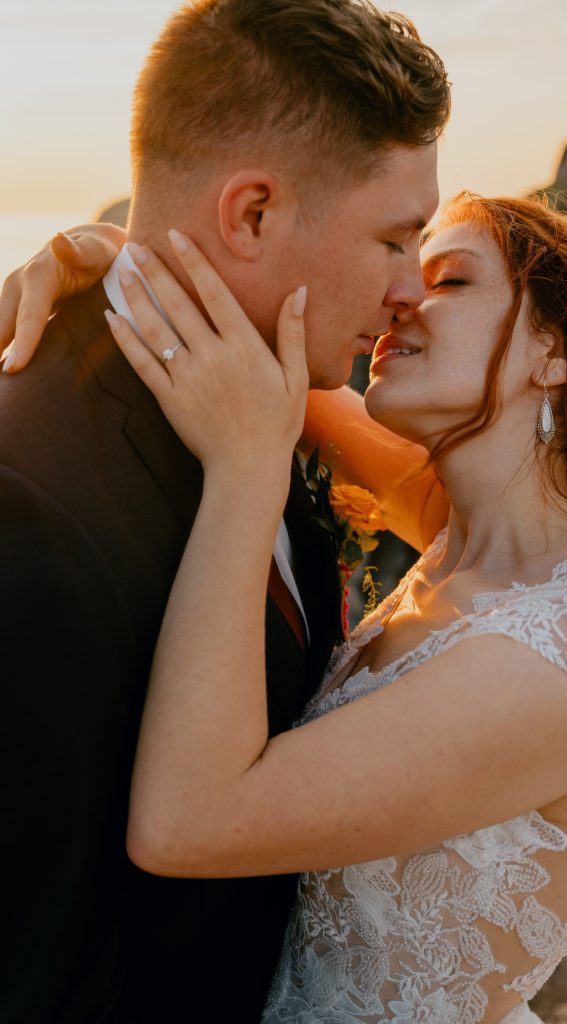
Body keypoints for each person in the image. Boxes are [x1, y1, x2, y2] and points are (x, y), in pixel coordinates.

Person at [8, 192, 567, 1023]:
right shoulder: (465, 530)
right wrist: (109, 254)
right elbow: (239, 352)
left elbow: (187, 823)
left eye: (449, 279)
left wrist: (247, 475)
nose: (401, 295)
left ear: (554, 349)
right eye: (403, 262)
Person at [0, 1, 451, 1021]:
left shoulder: (276, 396)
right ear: (251, 214)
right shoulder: (26, 503)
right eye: (392, 237)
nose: (410, 287)